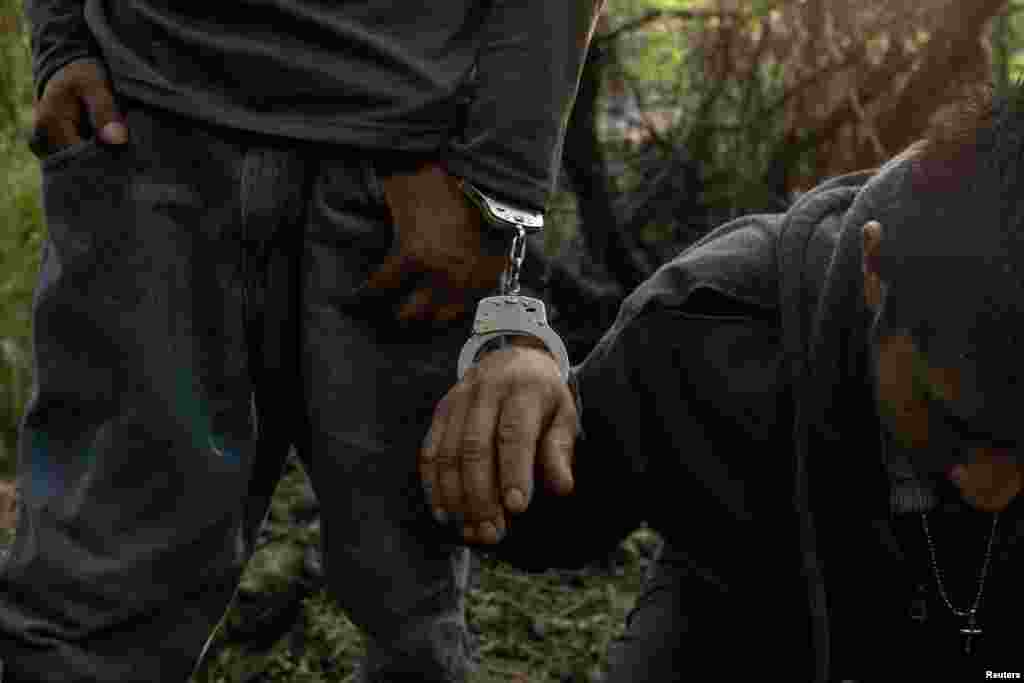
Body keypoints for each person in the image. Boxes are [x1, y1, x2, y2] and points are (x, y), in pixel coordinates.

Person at [0, 2, 607, 681]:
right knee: (84, 614)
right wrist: (63, 40)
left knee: (409, 618)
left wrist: (496, 185)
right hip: (144, 133)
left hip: (404, 187)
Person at [422, 83, 1024, 682]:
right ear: (876, 274)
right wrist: (515, 385)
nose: (991, 490)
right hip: (751, 616)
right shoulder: (707, 332)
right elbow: (556, 519)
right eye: (955, 426)